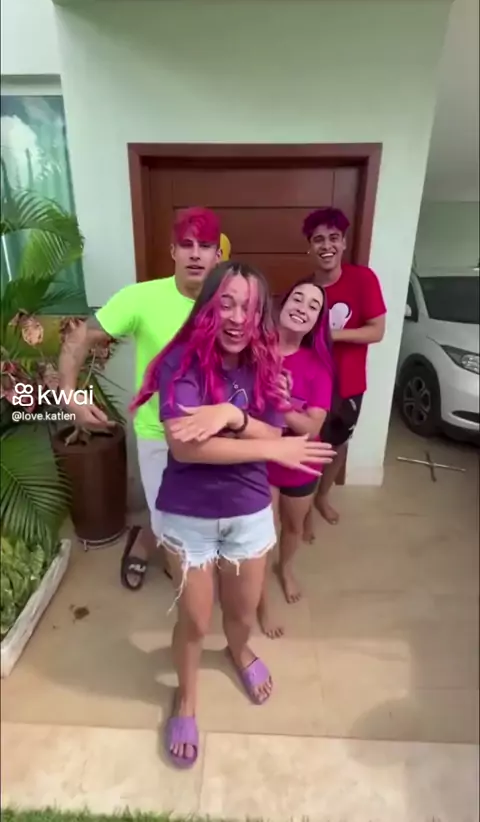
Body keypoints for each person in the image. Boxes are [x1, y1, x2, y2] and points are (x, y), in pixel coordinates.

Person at [130, 260, 334, 768]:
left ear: (261, 313)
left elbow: (277, 431)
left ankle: (239, 652)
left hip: (248, 514)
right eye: (226, 303)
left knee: (242, 614)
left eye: (249, 307)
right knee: (196, 620)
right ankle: (187, 700)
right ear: (208, 307)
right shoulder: (180, 361)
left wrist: (232, 415)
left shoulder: (265, 364)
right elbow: (186, 447)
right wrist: (267, 446)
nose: (238, 317)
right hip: (189, 518)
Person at [58, 207, 224, 589]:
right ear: (173, 251)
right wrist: (69, 394)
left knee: (204, 518)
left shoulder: (229, 301)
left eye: (204, 245)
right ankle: (163, 558)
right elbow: (80, 336)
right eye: (186, 244)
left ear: (218, 254)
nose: (195, 254)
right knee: (168, 521)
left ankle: (157, 547)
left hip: (213, 433)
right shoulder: (141, 298)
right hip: (157, 434)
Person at [302, 207, 386, 534]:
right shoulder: (305, 289)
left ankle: (322, 496)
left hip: (349, 384)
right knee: (308, 447)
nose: (327, 245)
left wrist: (329, 335)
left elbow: (376, 331)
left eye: (333, 238)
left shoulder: (363, 279)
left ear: (344, 242)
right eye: (318, 239)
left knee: (337, 445)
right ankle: (303, 510)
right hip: (310, 386)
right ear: (309, 246)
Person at [258, 278, 334, 638]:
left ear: (317, 321)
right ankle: (261, 604)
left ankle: (285, 569)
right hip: (258, 459)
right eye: (297, 298)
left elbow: (311, 427)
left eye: (313, 305)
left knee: (292, 528)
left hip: (300, 462)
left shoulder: (318, 367)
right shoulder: (253, 350)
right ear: (282, 305)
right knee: (262, 537)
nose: (303, 307)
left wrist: (284, 405)